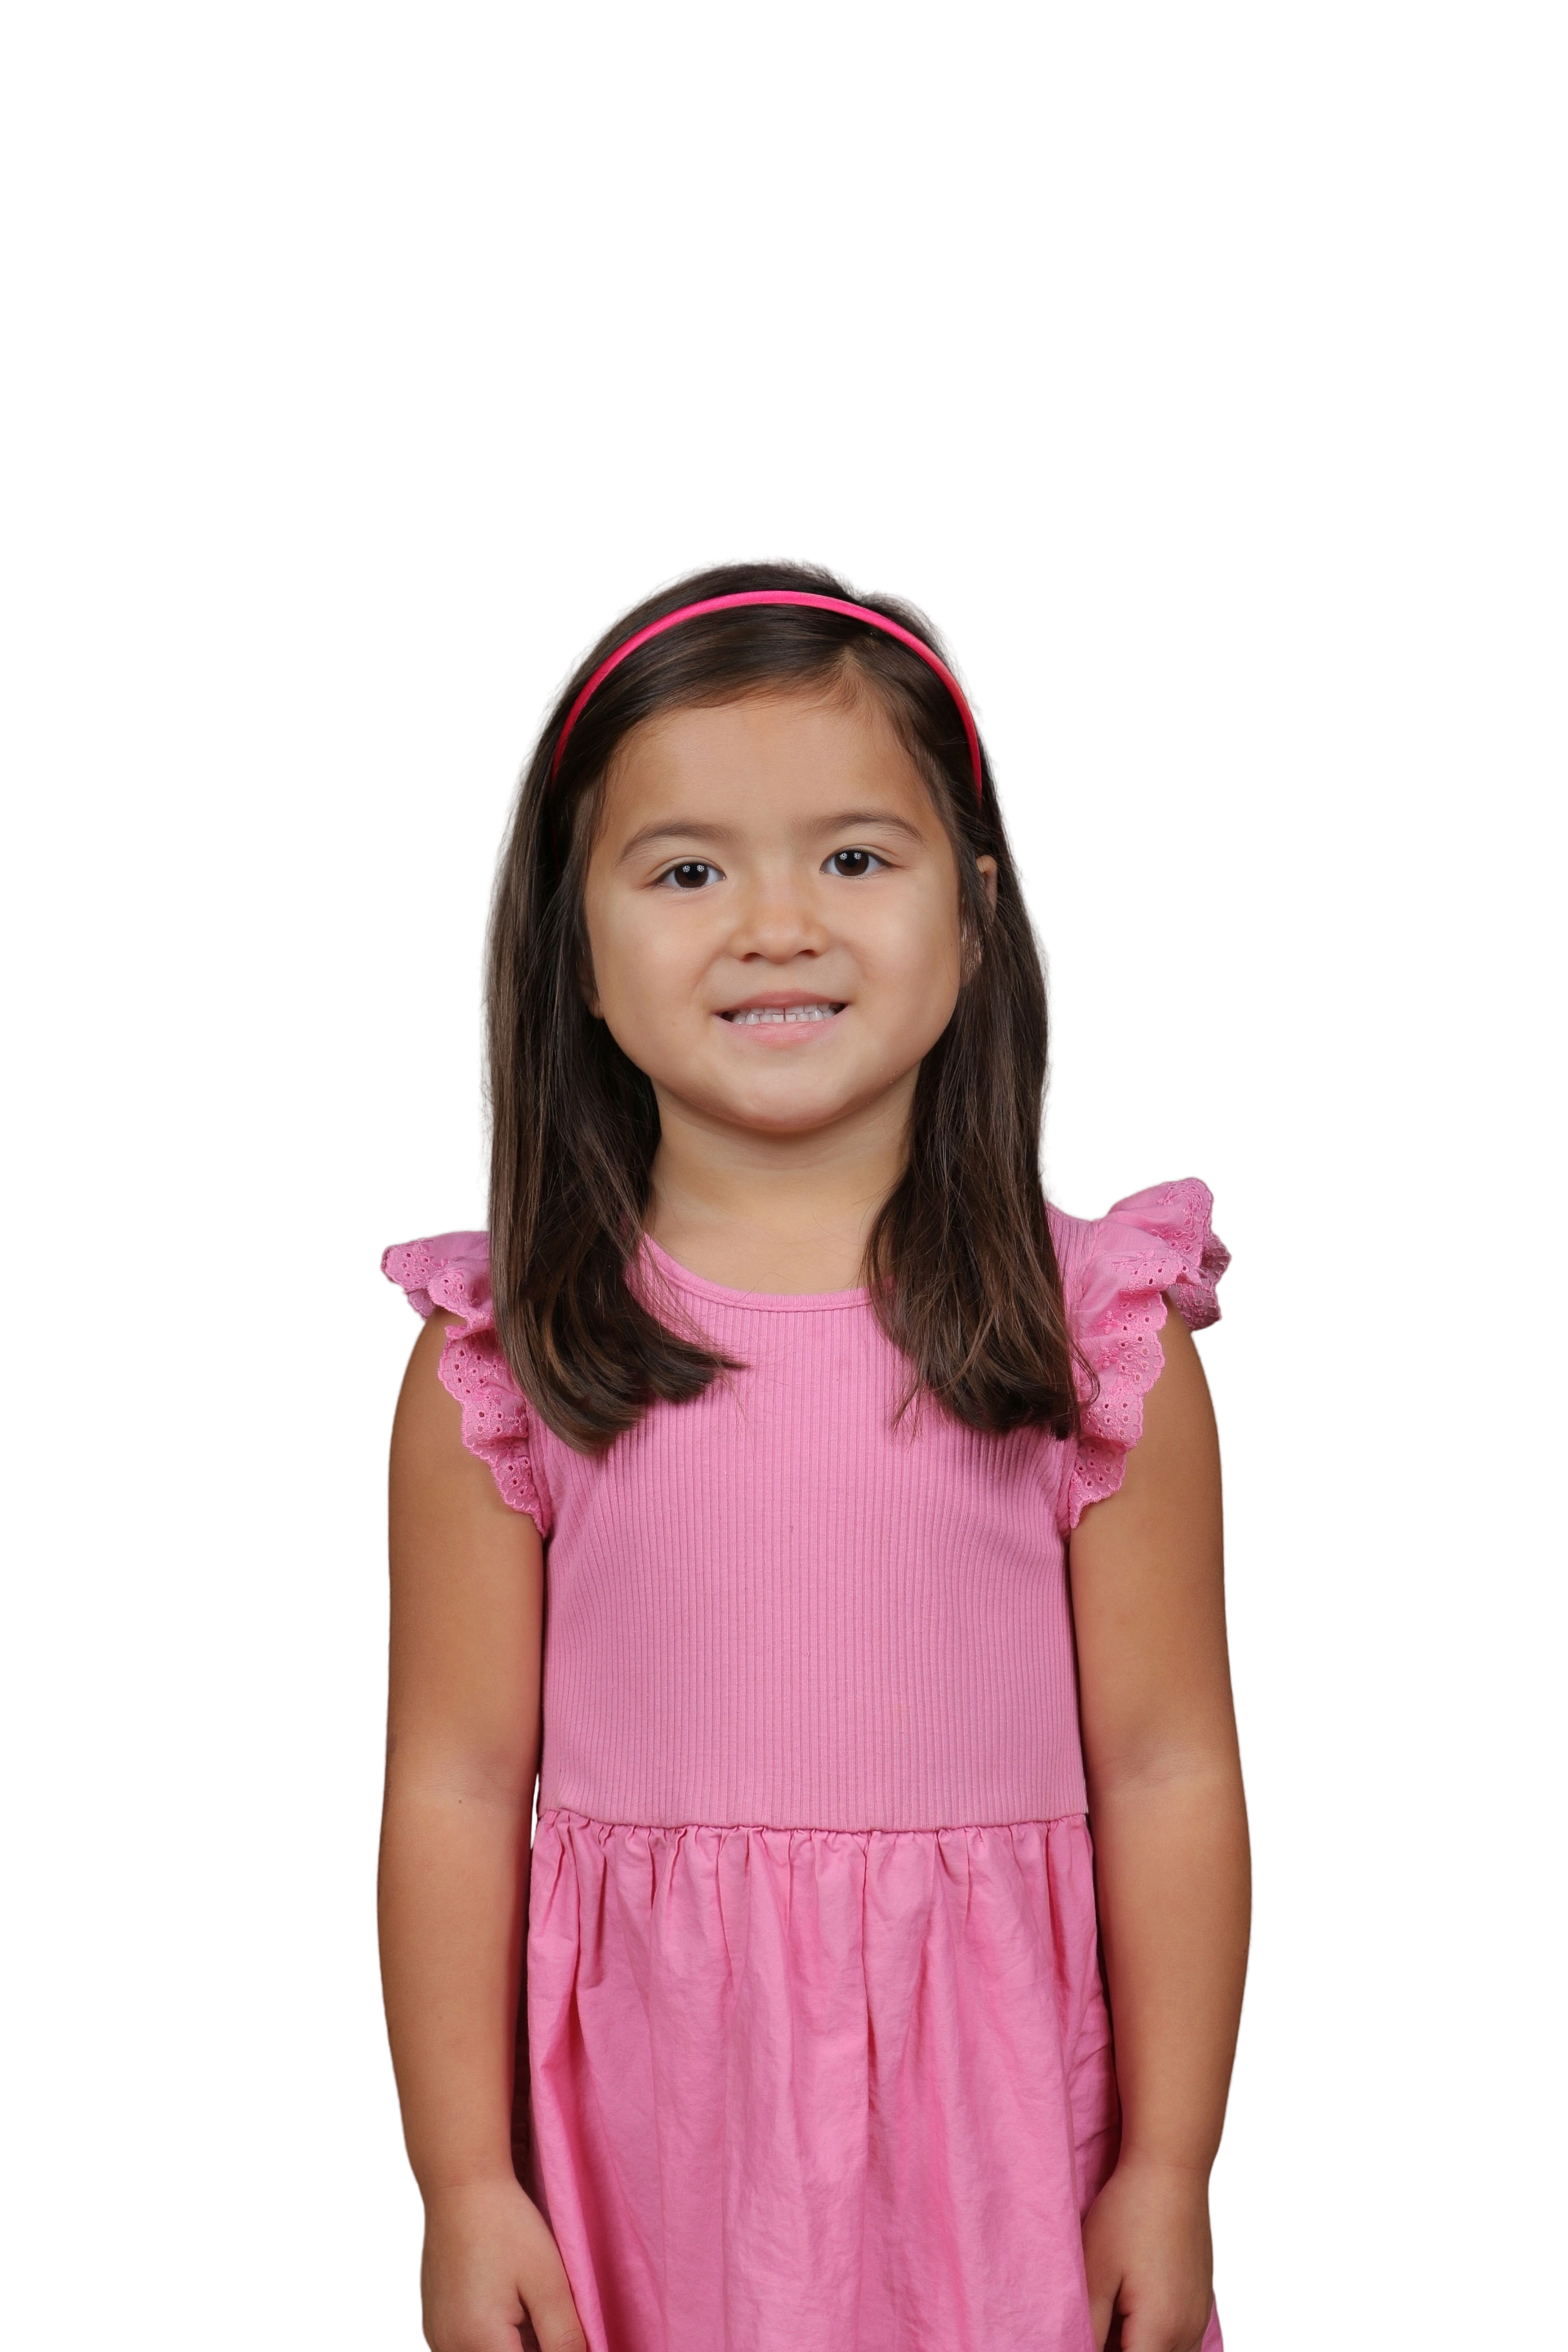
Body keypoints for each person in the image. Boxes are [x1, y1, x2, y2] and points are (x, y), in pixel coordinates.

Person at [373, 550, 1253, 2352]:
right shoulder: (506, 1361)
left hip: (996, 2151)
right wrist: (463, 2186)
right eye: (688, 869)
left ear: (976, 915)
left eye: (855, 857)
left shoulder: (1097, 1342)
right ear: (572, 944)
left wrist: (1172, 2166)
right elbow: (456, 1783)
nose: (777, 924)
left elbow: (1169, 1765)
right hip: (648, 2148)